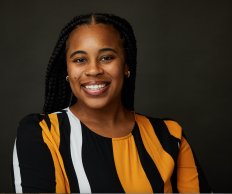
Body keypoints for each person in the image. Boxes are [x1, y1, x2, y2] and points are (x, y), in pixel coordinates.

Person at [11, 13, 211, 193]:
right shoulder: (41, 133)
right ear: (67, 71)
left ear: (126, 66)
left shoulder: (169, 135)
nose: (93, 70)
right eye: (80, 60)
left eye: (106, 57)